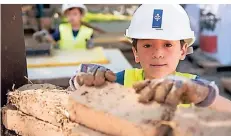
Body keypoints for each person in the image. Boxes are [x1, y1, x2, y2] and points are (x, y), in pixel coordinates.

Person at [69, 4, 231, 112]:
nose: (157, 53)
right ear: (135, 53)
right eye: (147, 46)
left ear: (182, 51)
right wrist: (81, 81)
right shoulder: (123, 80)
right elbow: (76, 97)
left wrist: (205, 95)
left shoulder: (192, 86)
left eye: (167, 45)